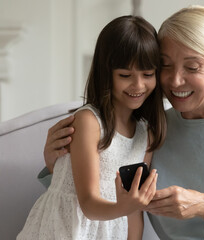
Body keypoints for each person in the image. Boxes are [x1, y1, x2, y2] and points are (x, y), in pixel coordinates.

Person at [40, 5, 204, 240]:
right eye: (165, 65)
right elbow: (106, 193)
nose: (175, 81)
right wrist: (56, 164)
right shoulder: (153, 128)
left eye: (192, 67)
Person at [17, 15, 166, 240]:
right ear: (106, 74)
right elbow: (88, 204)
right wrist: (123, 208)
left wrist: (129, 208)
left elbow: (134, 212)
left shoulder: (146, 134)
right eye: (125, 75)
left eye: (148, 75)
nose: (138, 85)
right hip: (64, 231)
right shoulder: (89, 122)